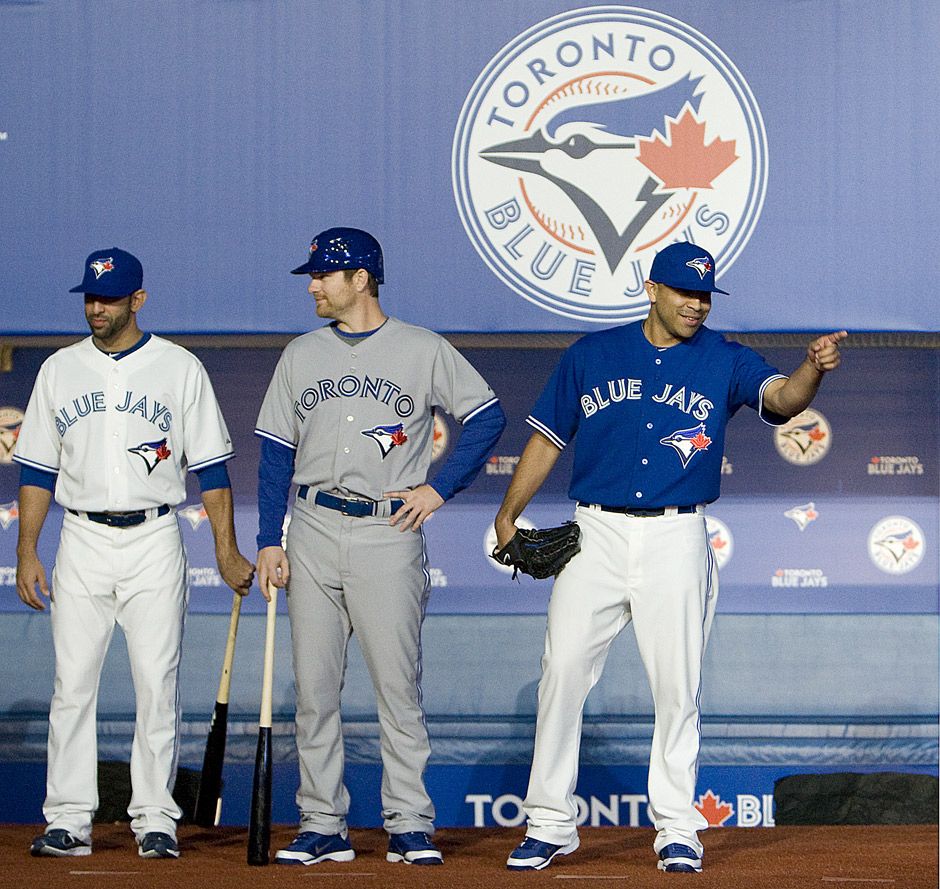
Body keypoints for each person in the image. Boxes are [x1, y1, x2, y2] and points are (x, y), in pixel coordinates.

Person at [494, 242, 846, 874]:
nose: (696, 303)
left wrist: (812, 368)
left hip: (677, 535)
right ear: (651, 289)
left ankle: (678, 828)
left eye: (705, 294)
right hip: (594, 533)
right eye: (684, 291)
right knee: (563, 672)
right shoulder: (592, 356)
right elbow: (546, 439)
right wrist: (507, 512)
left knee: (677, 688)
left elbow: (785, 401)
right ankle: (549, 824)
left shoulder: (725, 359)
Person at [255, 227, 506, 866]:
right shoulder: (300, 354)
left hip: (385, 530)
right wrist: (266, 539)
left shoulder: (421, 348)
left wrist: (439, 489)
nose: (312, 285)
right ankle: (322, 825)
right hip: (310, 530)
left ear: (360, 278)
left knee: (397, 689)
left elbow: (486, 417)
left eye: (323, 275)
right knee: (314, 689)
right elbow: (275, 452)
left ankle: (409, 824)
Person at [14, 248, 255, 860]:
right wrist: (26, 552)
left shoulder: (178, 367)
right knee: (72, 683)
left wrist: (226, 550)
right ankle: (68, 818)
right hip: (83, 537)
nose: (97, 307)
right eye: (91, 297)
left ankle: (154, 817)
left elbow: (213, 472)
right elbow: (37, 472)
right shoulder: (59, 370)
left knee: (157, 681)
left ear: (138, 300)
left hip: (154, 537)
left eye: (110, 298)